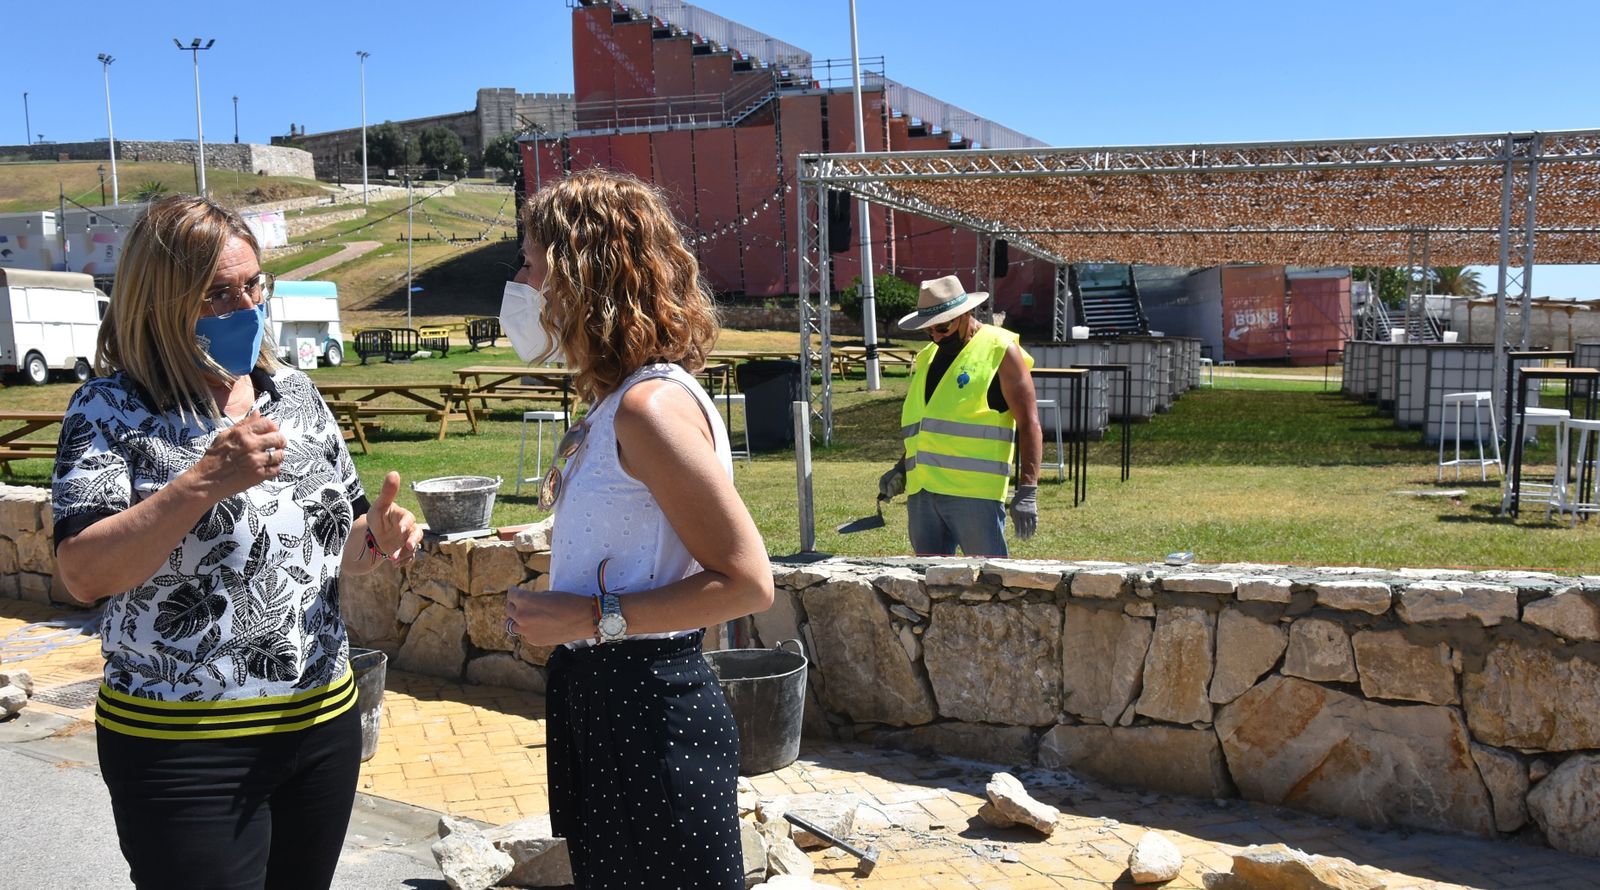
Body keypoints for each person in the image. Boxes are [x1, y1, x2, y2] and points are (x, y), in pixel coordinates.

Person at [50, 194, 423, 890]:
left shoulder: (296, 395)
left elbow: (335, 546)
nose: (246, 306)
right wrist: (201, 483)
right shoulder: (111, 408)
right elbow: (83, 572)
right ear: (160, 301)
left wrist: (381, 537)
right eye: (217, 293)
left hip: (320, 724)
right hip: (181, 746)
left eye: (253, 284)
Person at [503, 169, 774, 890]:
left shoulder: (648, 408)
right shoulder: (622, 399)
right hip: (611, 703)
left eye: (531, 263)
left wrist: (592, 617)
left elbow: (747, 582)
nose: (522, 283)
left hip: (646, 708)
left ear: (578, 277)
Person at [878, 274, 1043, 556]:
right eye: (928, 330)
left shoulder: (1000, 350)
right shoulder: (929, 356)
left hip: (974, 495)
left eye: (942, 327)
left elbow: (1029, 423)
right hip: (923, 494)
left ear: (965, 314)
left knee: (988, 582)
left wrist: (1027, 488)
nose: (936, 336)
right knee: (930, 585)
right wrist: (901, 468)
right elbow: (926, 426)